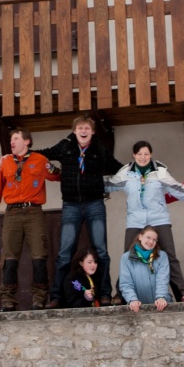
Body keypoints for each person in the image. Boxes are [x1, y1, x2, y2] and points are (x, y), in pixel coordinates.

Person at [37, 116, 124, 301]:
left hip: (95, 204)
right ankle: (56, 297)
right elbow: (42, 154)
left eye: (87, 128)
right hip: (71, 205)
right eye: (80, 128)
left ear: (92, 132)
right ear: (74, 131)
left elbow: (119, 168)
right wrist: (20, 155)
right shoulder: (65, 146)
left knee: (101, 251)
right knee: (64, 253)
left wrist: (140, 170)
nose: (83, 131)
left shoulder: (100, 150)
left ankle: (105, 293)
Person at [107, 141, 184, 301]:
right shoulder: (126, 172)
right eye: (139, 154)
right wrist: (90, 183)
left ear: (150, 154)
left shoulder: (159, 171)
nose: (143, 157)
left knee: (169, 255)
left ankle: (182, 293)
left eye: (146, 154)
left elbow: (177, 188)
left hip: (158, 218)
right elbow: (110, 184)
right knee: (128, 255)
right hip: (135, 220)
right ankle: (120, 294)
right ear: (134, 155)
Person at [0, 127, 54, 310]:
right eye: (11, 140)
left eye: (16, 139)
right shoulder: (6, 162)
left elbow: (56, 175)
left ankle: (39, 298)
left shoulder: (40, 160)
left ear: (27, 141)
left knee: (39, 255)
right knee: (9, 257)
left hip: (33, 212)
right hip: (12, 213)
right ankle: (8, 300)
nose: (12, 142)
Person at [118, 227, 171, 311]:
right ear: (140, 237)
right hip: (138, 308)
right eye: (148, 237)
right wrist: (132, 299)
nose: (151, 242)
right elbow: (126, 283)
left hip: (160, 306)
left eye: (154, 240)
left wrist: (161, 297)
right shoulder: (126, 258)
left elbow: (162, 279)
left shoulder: (162, 256)